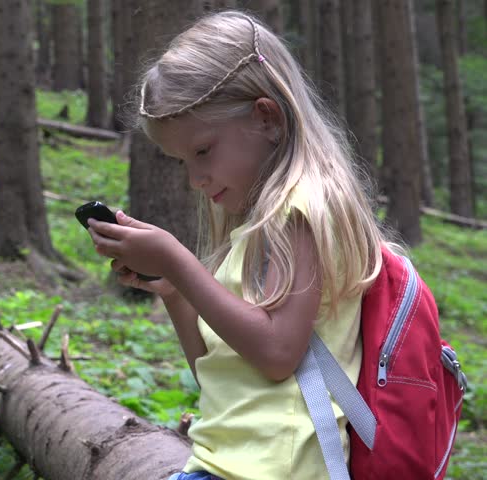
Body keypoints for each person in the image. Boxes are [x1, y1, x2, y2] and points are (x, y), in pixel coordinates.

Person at [85, 11, 398, 480]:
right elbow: (224, 374)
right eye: (183, 161)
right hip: (225, 465)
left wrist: (177, 259)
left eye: (203, 151)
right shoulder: (254, 228)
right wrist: (175, 290)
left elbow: (276, 355)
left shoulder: (303, 208)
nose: (195, 178)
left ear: (266, 117)